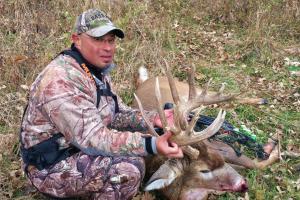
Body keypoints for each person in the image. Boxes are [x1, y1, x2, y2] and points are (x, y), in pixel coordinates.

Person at [20, 8, 183, 200]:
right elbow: (94, 139)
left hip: (77, 149)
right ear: (77, 39)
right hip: (51, 166)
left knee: (141, 143)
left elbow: (116, 114)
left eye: (111, 40)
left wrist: (153, 118)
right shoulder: (61, 79)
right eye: (98, 39)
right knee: (128, 170)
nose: (107, 48)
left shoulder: (94, 72)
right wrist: (152, 144)